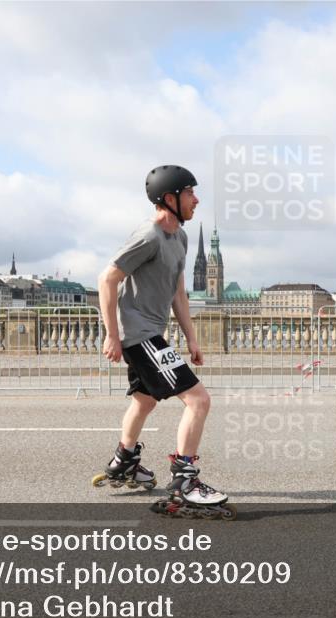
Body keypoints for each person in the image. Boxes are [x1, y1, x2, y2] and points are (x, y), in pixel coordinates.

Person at [95, 165, 235, 520]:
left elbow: (178, 291)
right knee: (199, 400)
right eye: (190, 193)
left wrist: (191, 337)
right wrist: (113, 334)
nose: (196, 199)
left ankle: (124, 461)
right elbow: (107, 280)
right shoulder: (149, 236)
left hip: (151, 332)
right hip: (138, 334)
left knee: (145, 402)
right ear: (169, 199)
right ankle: (185, 480)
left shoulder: (180, 239)